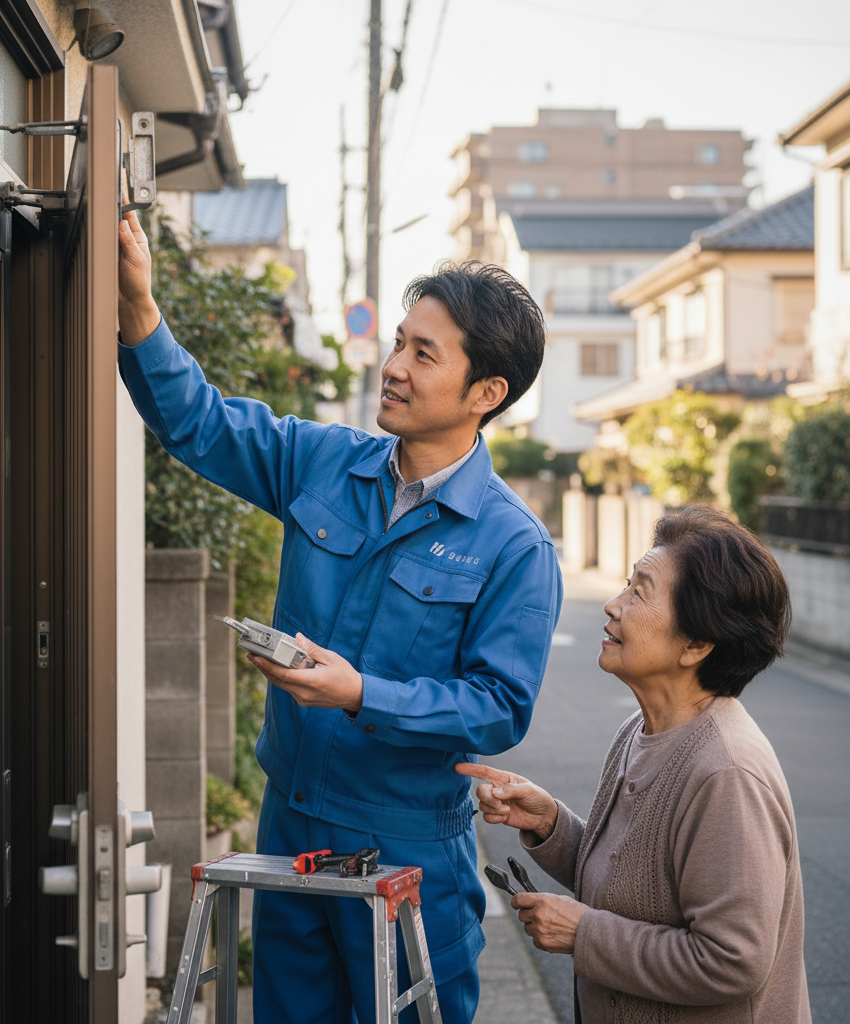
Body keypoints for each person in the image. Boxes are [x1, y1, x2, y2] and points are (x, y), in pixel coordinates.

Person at [117, 210, 562, 1022]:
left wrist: (364, 692)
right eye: (399, 342)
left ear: (485, 393)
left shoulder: (514, 545)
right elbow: (200, 424)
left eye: (423, 355)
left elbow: (500, 707)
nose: (393, 367)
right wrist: (140, 312)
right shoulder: (323, 462)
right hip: (291, 820)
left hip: (409, 852)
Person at [459, 505, 811, 1024]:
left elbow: (733, 961)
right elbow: (635, 885)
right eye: (626, 584)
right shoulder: (643, 728)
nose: (612, 604)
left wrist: (584, 934)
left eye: (639, 591)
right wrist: (551, 823)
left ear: (696, 643)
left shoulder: (726, 773)